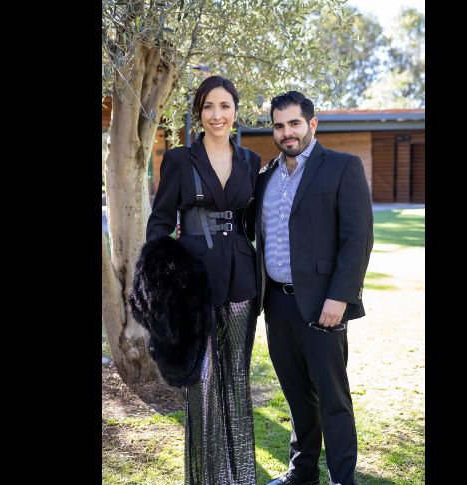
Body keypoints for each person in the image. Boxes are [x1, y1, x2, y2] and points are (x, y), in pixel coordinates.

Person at [144, 75, 261, 484]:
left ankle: (239, 475)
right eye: (209, 106)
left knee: (236, 380)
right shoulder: (178, 160)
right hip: (195, 289)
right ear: (199, 112)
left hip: (243, 283)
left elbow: (251, 221)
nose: (217, 115)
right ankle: (206, 477)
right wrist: (164, 287)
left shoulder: (251, 161)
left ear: (235, 111)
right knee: (204, 382)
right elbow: (159, 226)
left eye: (225, 106)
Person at [253, 91, 373, 485]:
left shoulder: (341, 166)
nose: (287, 133)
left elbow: (357, 238)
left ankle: (342, 478)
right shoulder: (267, 176)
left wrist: (340, 296)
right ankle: (301, 472)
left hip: (324, 304)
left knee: (333, 399)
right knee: (297, 396)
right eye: (279, 125)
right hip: (276, 304)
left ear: (312, 124)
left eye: (294, 123)